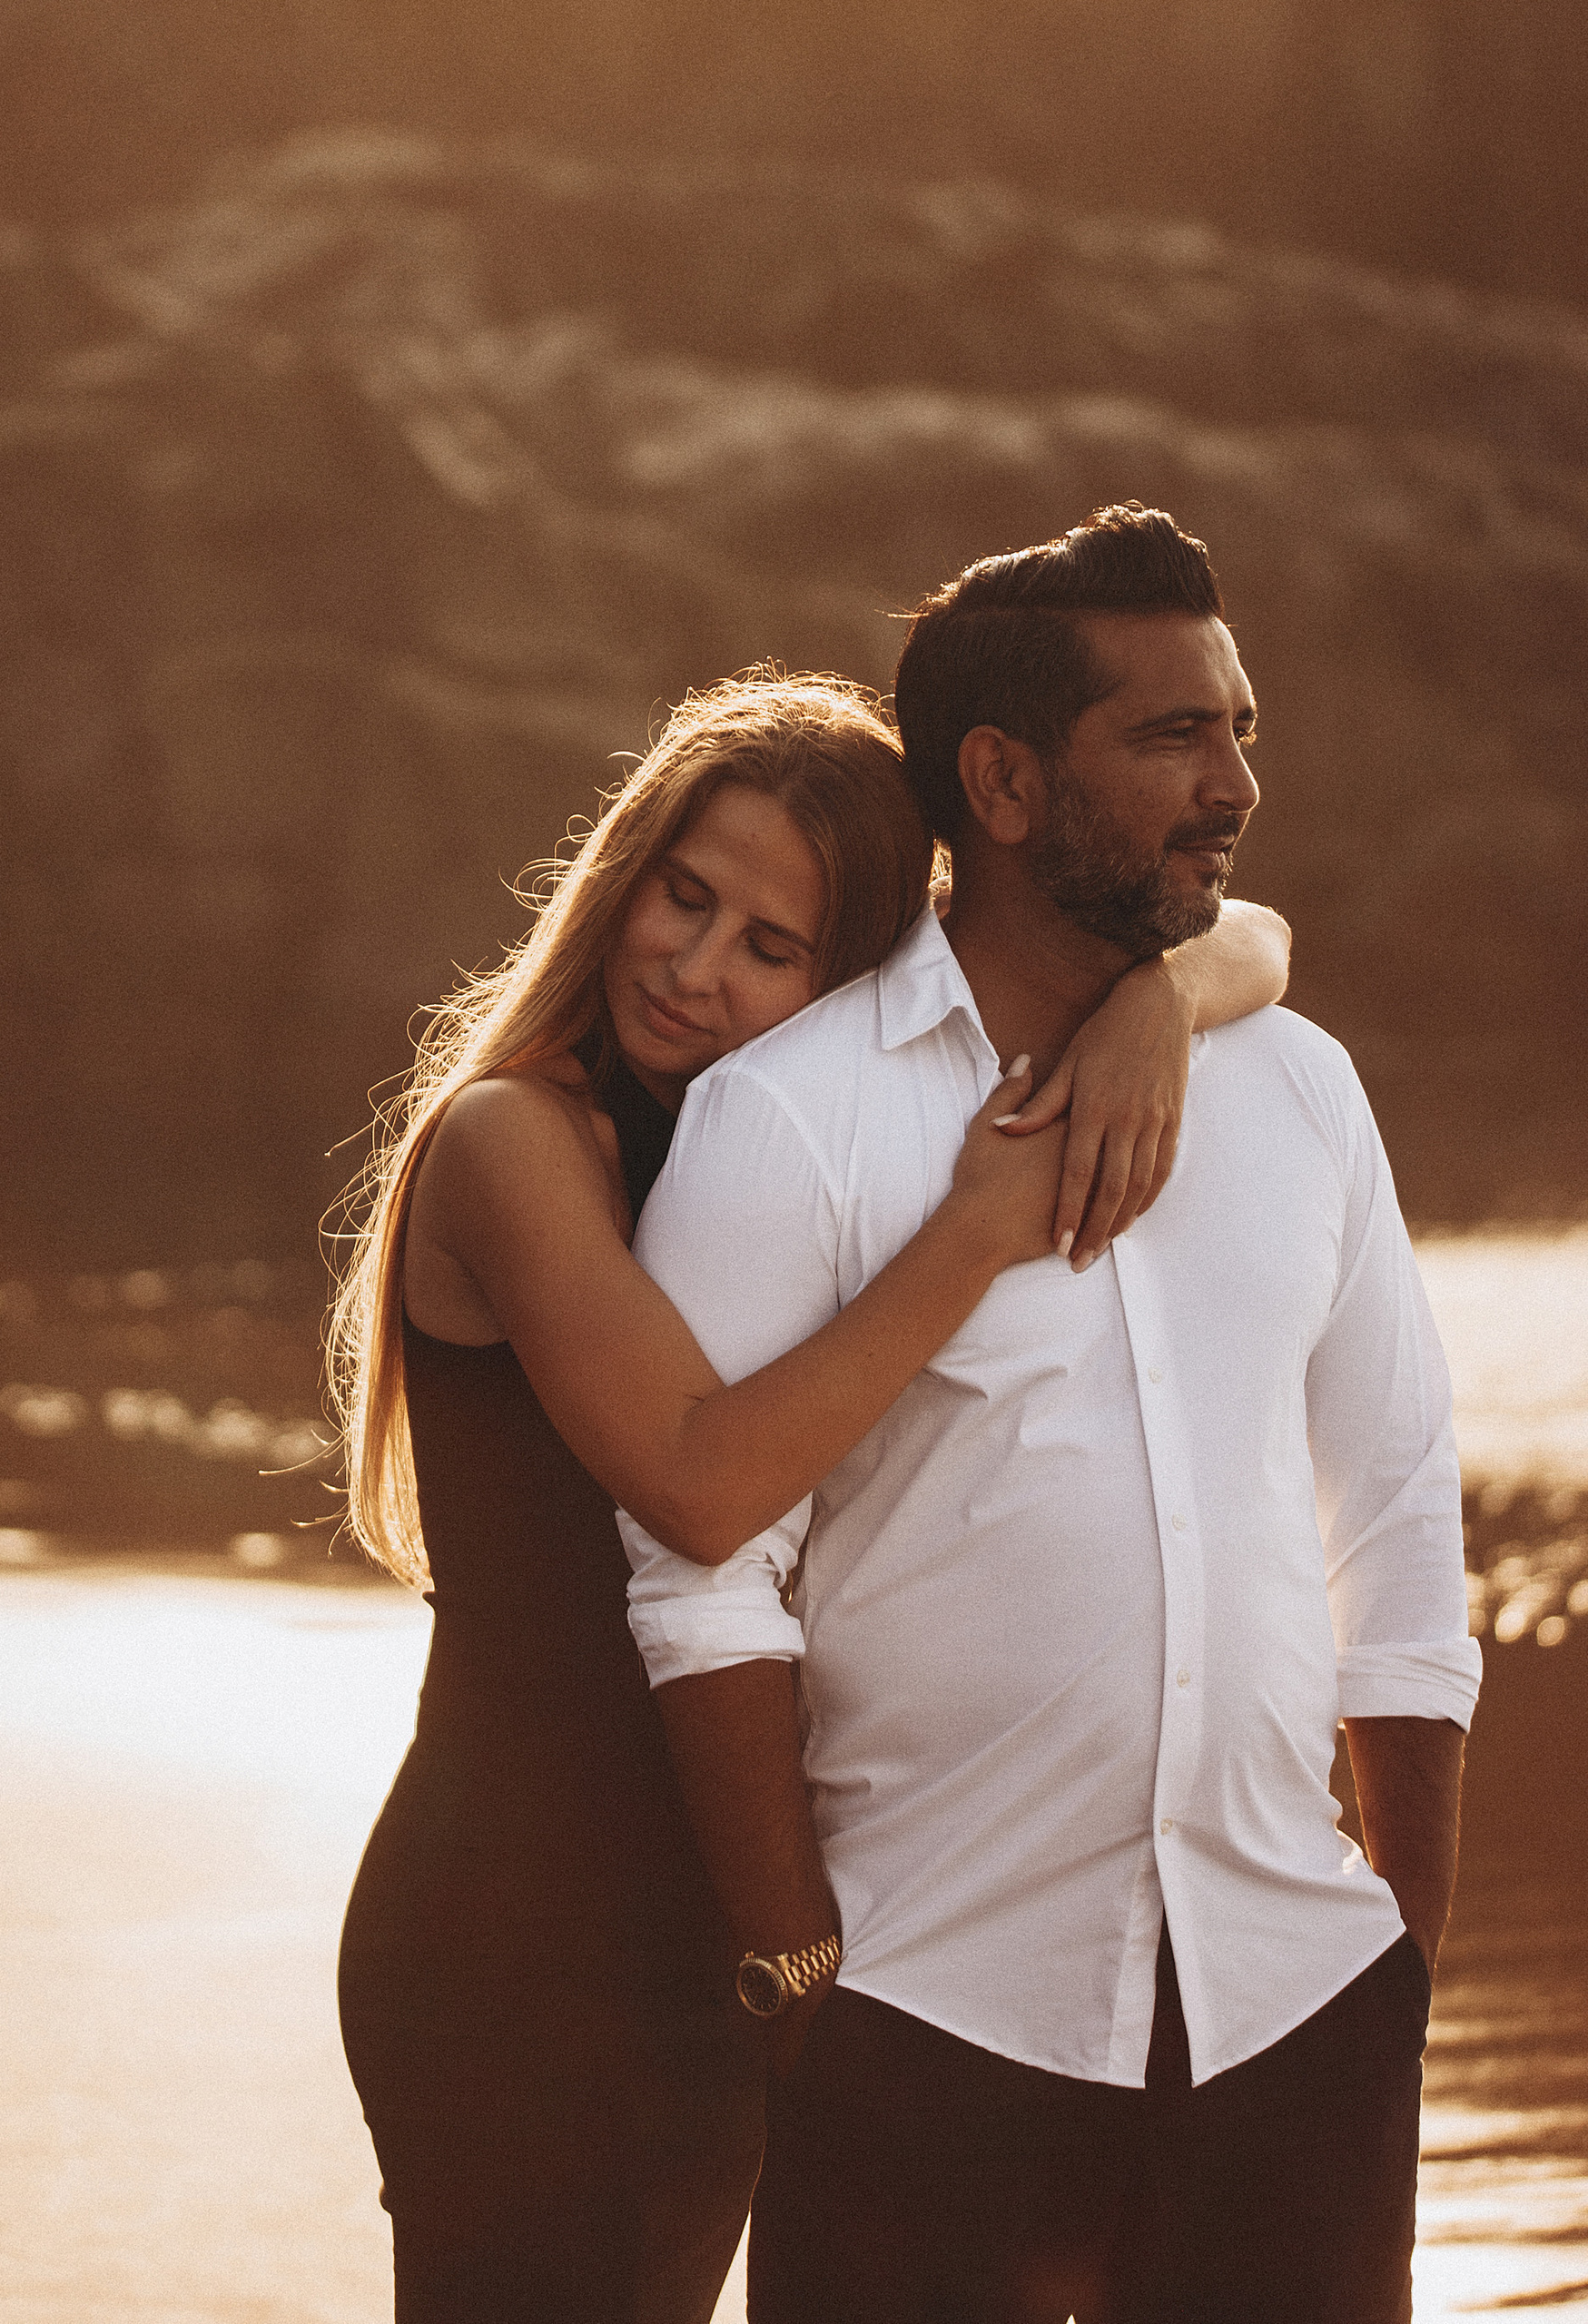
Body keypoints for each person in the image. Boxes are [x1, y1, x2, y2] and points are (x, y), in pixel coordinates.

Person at [330, 660, 1295, 2324]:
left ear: (853, 985)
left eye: (770, 948)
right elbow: (705, 1488)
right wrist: (981, 1231)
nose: (695, 969)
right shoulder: (514, 1143)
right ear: (621, 877)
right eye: (682, 899)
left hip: (713, 1934)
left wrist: (1155, 997)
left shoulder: (767, 1156)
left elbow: (1266, 937)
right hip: (522, 1951)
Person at [624, 514, 1478, 2324]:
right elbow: (703, 1584)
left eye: (1237, 726)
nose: (1234, 782)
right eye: (1173, 736)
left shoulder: (1301, 1091)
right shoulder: (788, 1120)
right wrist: (796, 1983)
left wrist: (1399, 1955)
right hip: (928, 2019)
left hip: (1290, 2012)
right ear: (1002, 784)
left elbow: (1394, 1518)